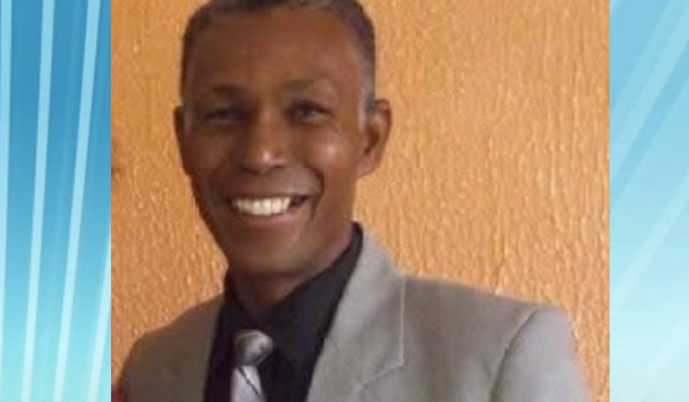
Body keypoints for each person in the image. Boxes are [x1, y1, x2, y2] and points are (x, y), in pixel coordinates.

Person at [117, 0, 592, 401]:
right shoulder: (152, 370)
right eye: (223, 114)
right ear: (182, 140)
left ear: (370, 139)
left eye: (307, 111)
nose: (260, 153)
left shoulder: (499, 356)